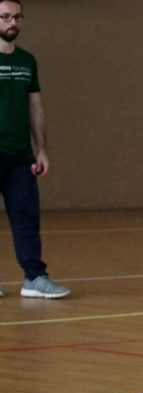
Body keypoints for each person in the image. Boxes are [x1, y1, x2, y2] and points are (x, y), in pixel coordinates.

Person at [0, 0, 68, 299]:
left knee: (26, 217)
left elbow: (35, 106)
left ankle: (34, 278)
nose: (11, 23)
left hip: (19, 156)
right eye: (4, 17)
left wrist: (41, 149)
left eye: (16, 17)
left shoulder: (27, 60)